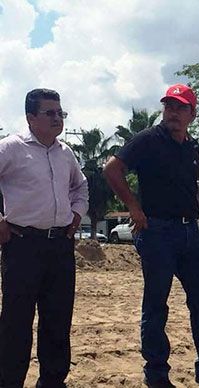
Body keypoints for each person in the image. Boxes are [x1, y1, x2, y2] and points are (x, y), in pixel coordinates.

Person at [104, 84, 199, 387]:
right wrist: (134, 207)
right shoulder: (147, 140)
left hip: (189, 233)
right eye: (169, 106)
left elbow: (194, 187)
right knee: (157, 304)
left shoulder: (193, 147)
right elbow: (112, 169)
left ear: (192, 114)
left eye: (181, 108)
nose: (173, 113)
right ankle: (156, 374)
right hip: (156, 232)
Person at [0, 88, 89, 388]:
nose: (57, 118)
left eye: (60, 112)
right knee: (16, 323)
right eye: (49, 112)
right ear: (30, 117)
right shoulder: (11, 148)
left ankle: (53, 382)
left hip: (60, 246)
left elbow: (81, 186)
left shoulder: (65, 153)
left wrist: (77, 214)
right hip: (23, 245)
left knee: (57, 321)